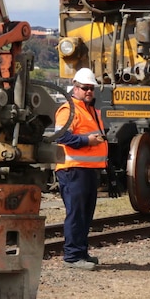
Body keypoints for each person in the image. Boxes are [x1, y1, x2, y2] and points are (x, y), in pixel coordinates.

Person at [54, 67, 108, 270]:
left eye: (91, 88)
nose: (89, 92)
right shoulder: (69, 109)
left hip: (87, 170)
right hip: (73, 170)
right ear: (74, 87)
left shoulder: (90, 110)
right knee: (76, 214)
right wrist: (88, 141)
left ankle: (81, 253)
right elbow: (62, 137)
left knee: (85, 214)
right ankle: (72, 256)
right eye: (85, 88)